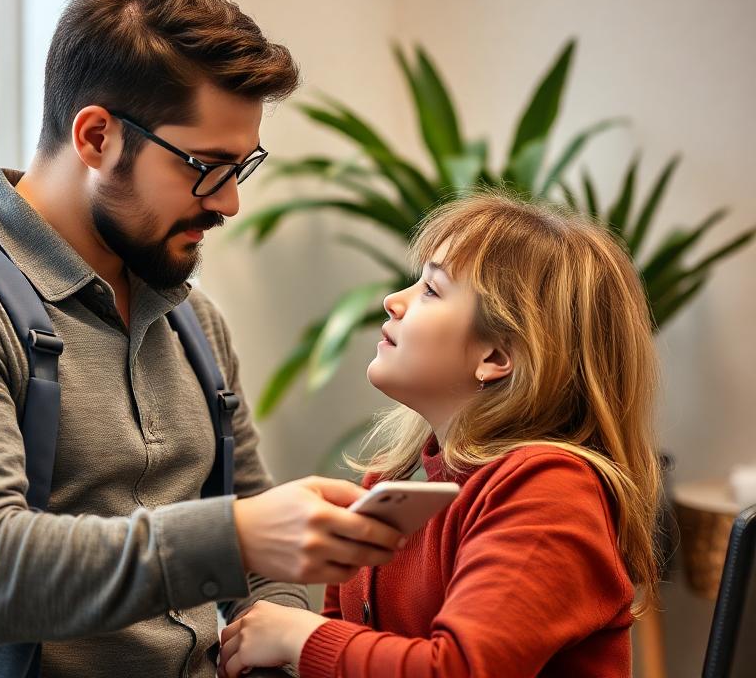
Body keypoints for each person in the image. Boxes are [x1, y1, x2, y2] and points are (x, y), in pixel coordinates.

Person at [0, 0, 405, 677]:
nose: (229, 202)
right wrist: (233, 538)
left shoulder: (192, 320)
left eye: (242, 168)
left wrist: (273, 629)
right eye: (206, 166)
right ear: (97, 136)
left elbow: (258, 541)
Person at [218, 191, 662, 678]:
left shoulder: (552, 491)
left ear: (495, 357)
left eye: (431, 290)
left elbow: (458, 670)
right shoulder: (391, 481)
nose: (393, 300)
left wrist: (297, 636)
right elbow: (344, 632)